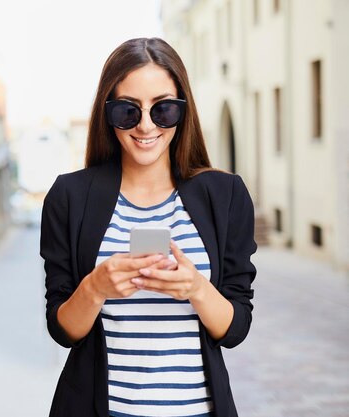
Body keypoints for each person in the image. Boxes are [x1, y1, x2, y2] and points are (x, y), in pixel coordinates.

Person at [40, 38, 257, 417]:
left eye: (163, 109)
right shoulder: (68, 196)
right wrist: (94, 288)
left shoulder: (226, 195)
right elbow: (63, 330)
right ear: (107, 112)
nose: (144, 125)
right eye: (127, 111)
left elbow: (235, 329)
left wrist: (195, 288)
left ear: (182, 111)